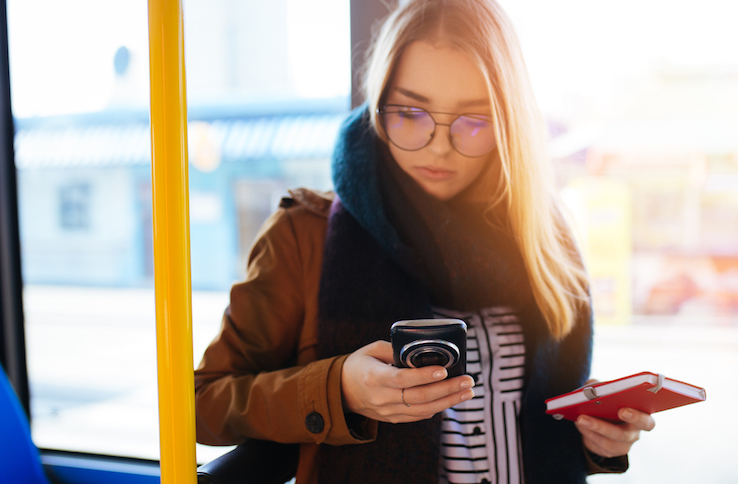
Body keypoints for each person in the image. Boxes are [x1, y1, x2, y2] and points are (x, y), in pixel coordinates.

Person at [194, 0, 655, 482]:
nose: (438, 145)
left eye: (474, 121)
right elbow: (202, 402)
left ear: (509, 124)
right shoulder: (303, 234)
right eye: (410, 112)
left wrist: (598, 438)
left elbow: (535, 432)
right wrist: (339, 391)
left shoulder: (544, 235)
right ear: (378, 102)